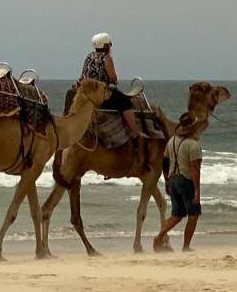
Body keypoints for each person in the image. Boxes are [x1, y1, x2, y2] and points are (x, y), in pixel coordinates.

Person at [79, 32, 146, 169]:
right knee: (124, 101)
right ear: (106, 46)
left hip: (88, 94)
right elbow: (113, 77)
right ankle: (134, 130)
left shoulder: (89, 57)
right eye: (109, 44)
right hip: (102, 95)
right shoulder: (106, 58)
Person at [154, 113, 205, 252]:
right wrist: (197, 191)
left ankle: (159, 237)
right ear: (194, 129)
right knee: (193, 215)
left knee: (177, 215)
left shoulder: (171, 141)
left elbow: (164, 163)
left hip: (172, 180)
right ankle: (186, 246)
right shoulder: (193, 145)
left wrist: (166, 182)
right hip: (185, 181)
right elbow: (195, 170)